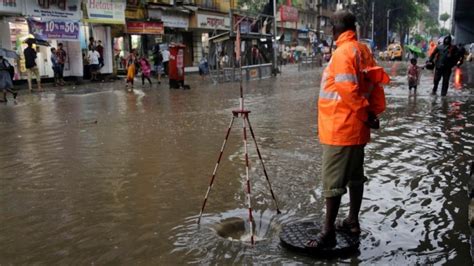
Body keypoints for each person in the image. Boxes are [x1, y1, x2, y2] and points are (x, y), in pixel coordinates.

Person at [306, 10, 386, 249]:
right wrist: (370, 115)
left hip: (341, 128)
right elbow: (373, 85)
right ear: (355, 28)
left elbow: (349, 92)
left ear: (333, 31)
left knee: (332, 182)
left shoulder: (342, 53)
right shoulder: (362, 50)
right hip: (358, 128)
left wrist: (363, 115)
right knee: (355, 177)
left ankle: (327, 232)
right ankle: (352, 220)